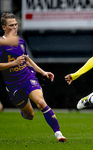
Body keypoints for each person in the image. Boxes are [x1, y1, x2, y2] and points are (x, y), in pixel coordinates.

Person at [0, 13, 66, 142]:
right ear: (4, 27)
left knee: (41, 102)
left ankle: (58, 133)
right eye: (11, 25)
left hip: (27, 77)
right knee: (29, 116)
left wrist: (43, 72)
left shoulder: (20, 41)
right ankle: (24, 111)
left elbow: (27, 59)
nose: (14, 27)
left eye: (16, 24)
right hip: (13, 85)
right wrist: (13, 63)